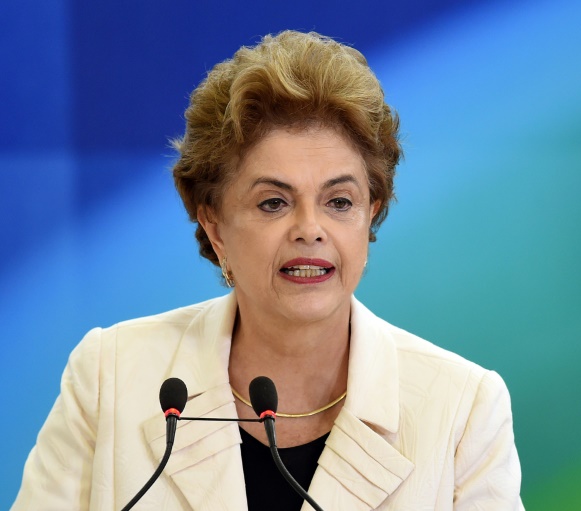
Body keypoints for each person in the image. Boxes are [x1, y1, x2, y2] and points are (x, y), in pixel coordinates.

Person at [13, 30, 524, 510]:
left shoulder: (461, 409)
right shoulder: (112, 376)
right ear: (214, 223)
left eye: (339, 201)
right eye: (274, 203)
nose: (310, 229)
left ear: (372, 213)